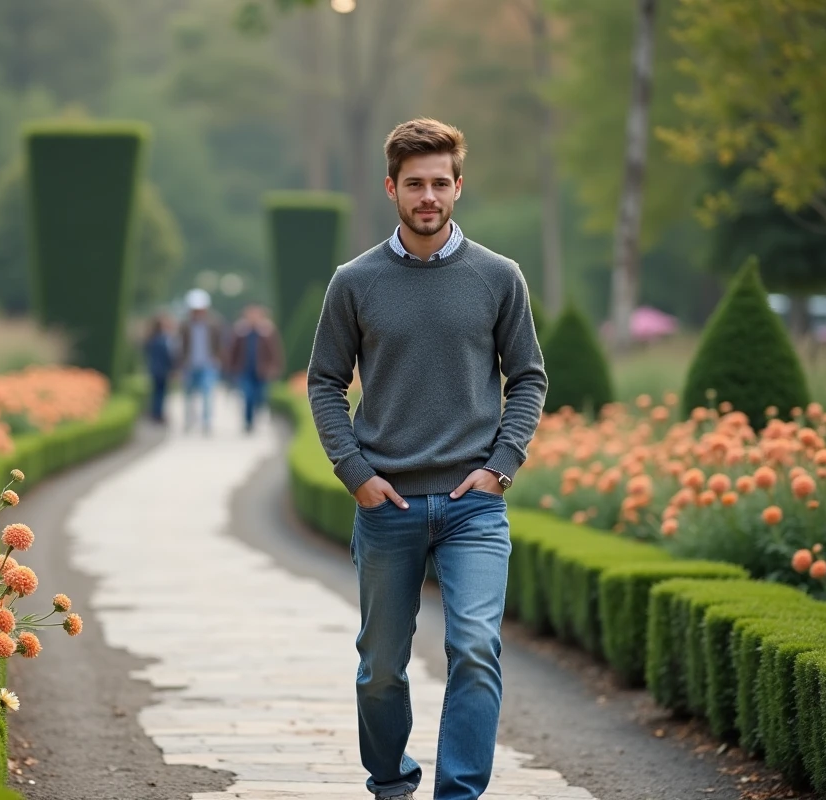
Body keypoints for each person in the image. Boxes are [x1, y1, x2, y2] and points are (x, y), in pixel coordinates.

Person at [306, 118, 547, 800]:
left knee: (475, 648)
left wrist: (501, 465)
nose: (429, 197)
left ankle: (458, 794)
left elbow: (529, 377)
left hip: (475, 506)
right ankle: (390, 780)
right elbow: (324, 382)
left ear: (459, 187)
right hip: (389, 505)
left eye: (441, 183)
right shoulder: (354, 282)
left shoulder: (499, 277)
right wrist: (356, 474)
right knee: (381, 668)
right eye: (415, 184)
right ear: (392, 189)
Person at [227, 304, 285, 433]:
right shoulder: (240, 332)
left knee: (260, 396)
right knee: (248, 396)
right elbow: (233, 351)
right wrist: (232, 368)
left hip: (262, 372)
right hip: (245, 370)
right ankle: (248, 422)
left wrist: (274, 368)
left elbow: (275, 352)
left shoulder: (267, 331)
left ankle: (258, 416)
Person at [179, 288, 226, 434]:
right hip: (190, 364)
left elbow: (220, 343)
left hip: (208, 365)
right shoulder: (185, 325)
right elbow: (180, 346)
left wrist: (218, 359)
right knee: (188, 395)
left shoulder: (214, 324)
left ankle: (206, 422)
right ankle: (189, 420)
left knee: (207, 393)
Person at [142, 314, 176, 424]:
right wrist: (173, 368)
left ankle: (155, 413)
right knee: (161, 393)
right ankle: (158, 414)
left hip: (153, 369)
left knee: (156, 392)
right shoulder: (163, 339)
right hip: (162, 370)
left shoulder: (151, 339)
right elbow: (169, 356)